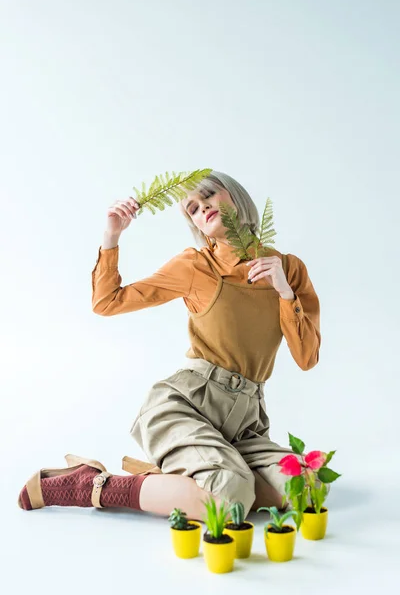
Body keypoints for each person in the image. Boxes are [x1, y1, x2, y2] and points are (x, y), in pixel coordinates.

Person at [18, 171, 321, 521]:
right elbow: (107, 302)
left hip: (244, 424)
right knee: (229, 499)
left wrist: (285, 292)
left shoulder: (290, 269)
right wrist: (112, 235)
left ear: (235, 196)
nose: (202, 207)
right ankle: (95, 485)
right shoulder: (195, 266)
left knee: (307, 483)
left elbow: (307, 357)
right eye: (192, 208)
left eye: (210, 195)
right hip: (187, 406)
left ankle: (190, 481)